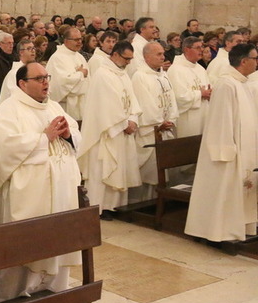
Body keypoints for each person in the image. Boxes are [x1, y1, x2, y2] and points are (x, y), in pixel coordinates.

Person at [0, 62, 83, 301]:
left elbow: (75, 131)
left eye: (47, 77)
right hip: (32, 193)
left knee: (59, 240)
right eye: (39, 78)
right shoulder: (9, 111)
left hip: (61, 190)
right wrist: (44, 138)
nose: (46, 82)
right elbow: (5, 147)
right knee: (28, 245)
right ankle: (13, 297)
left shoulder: (52, 106)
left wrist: (69, 135)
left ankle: (54, 291)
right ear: (22, 83)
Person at [185, 44, 258, 247]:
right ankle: (217, 233)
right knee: (223, 194)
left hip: (244, 150)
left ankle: (239, 227)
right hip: (228, 153)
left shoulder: (243, 83)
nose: (257, 62)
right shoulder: (227, 84)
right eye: (255, 58)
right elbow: (221, 121)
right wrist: (227, 151)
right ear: (244, 61)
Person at [76, 41, 142, 219]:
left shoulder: (122, 74)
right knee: (103, 168)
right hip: (105, 132)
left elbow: (132, 100)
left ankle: (117, 205)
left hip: (122, 130)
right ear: (115, 55)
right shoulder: (103, 75)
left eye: (131, 59)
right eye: (126, 58)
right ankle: (99, 207)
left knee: (120, 167)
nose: (129, 62)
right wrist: (125, 124)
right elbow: (107, 108)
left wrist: (134, 119)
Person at [131, 42, 179, 202]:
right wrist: (159, 123)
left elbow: (171, 98)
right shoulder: (140, 76)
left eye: (162, 54)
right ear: (146, 57)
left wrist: (170, 119)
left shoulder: (163, 75)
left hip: (164, 128)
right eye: (158, 54)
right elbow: (144, 104)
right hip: (150, 131)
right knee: (148, 172)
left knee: (161, 171)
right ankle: (142, 203)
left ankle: (159, 201)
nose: (163, 57)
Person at [166, 36, 211, 137]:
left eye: (202, 47)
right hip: (187, 118)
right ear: (187, 49)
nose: (202, 50)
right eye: (198, 47)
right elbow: (179, 97)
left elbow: (207, 88)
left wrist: (209, 93)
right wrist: (200, 94)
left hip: (203, 115)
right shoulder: (176, 70)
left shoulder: (201, 69)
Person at [45, 25, 88, 120]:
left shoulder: (79, 57)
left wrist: (79, 76)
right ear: (66, 41)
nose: (80, 42)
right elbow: (62, 84)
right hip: (65, 107)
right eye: (76, 40)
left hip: (82, 106)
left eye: (80, 39)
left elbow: (88, 83)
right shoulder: (57, 58)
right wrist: (81, 74)